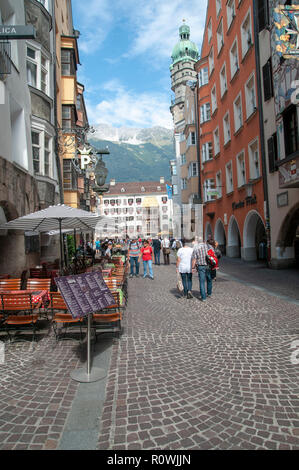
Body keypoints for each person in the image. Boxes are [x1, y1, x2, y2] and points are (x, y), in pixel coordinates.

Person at [191, 237, 215, 301]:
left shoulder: (196, 248)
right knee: (209, 279)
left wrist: (193, 267)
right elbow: (214, 256)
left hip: (201, 266)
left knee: (202, 281)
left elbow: (194, 259)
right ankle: (209, 293)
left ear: (198, 242)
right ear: (204, 241)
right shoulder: (210, 246)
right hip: (209, 265)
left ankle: (203, 297)